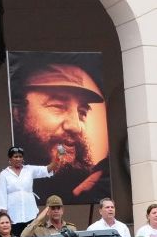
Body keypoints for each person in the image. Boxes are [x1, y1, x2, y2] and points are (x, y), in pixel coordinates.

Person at [10, 62, 110, 204]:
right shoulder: (9, 179)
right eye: (58, 106)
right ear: (18, 113)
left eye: (82, 112)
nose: (76, 127)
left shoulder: (92, 185)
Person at [0, 145, 62, 236]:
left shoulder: (29, 169)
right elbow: (2, 196)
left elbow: (48, 169)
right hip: (13, 217)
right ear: (10, 159)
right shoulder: (4, 174)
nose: (18, 159)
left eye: (20, 156)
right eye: (15, 156)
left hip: (30, 214)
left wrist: (57, 158)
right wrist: (4, 219)